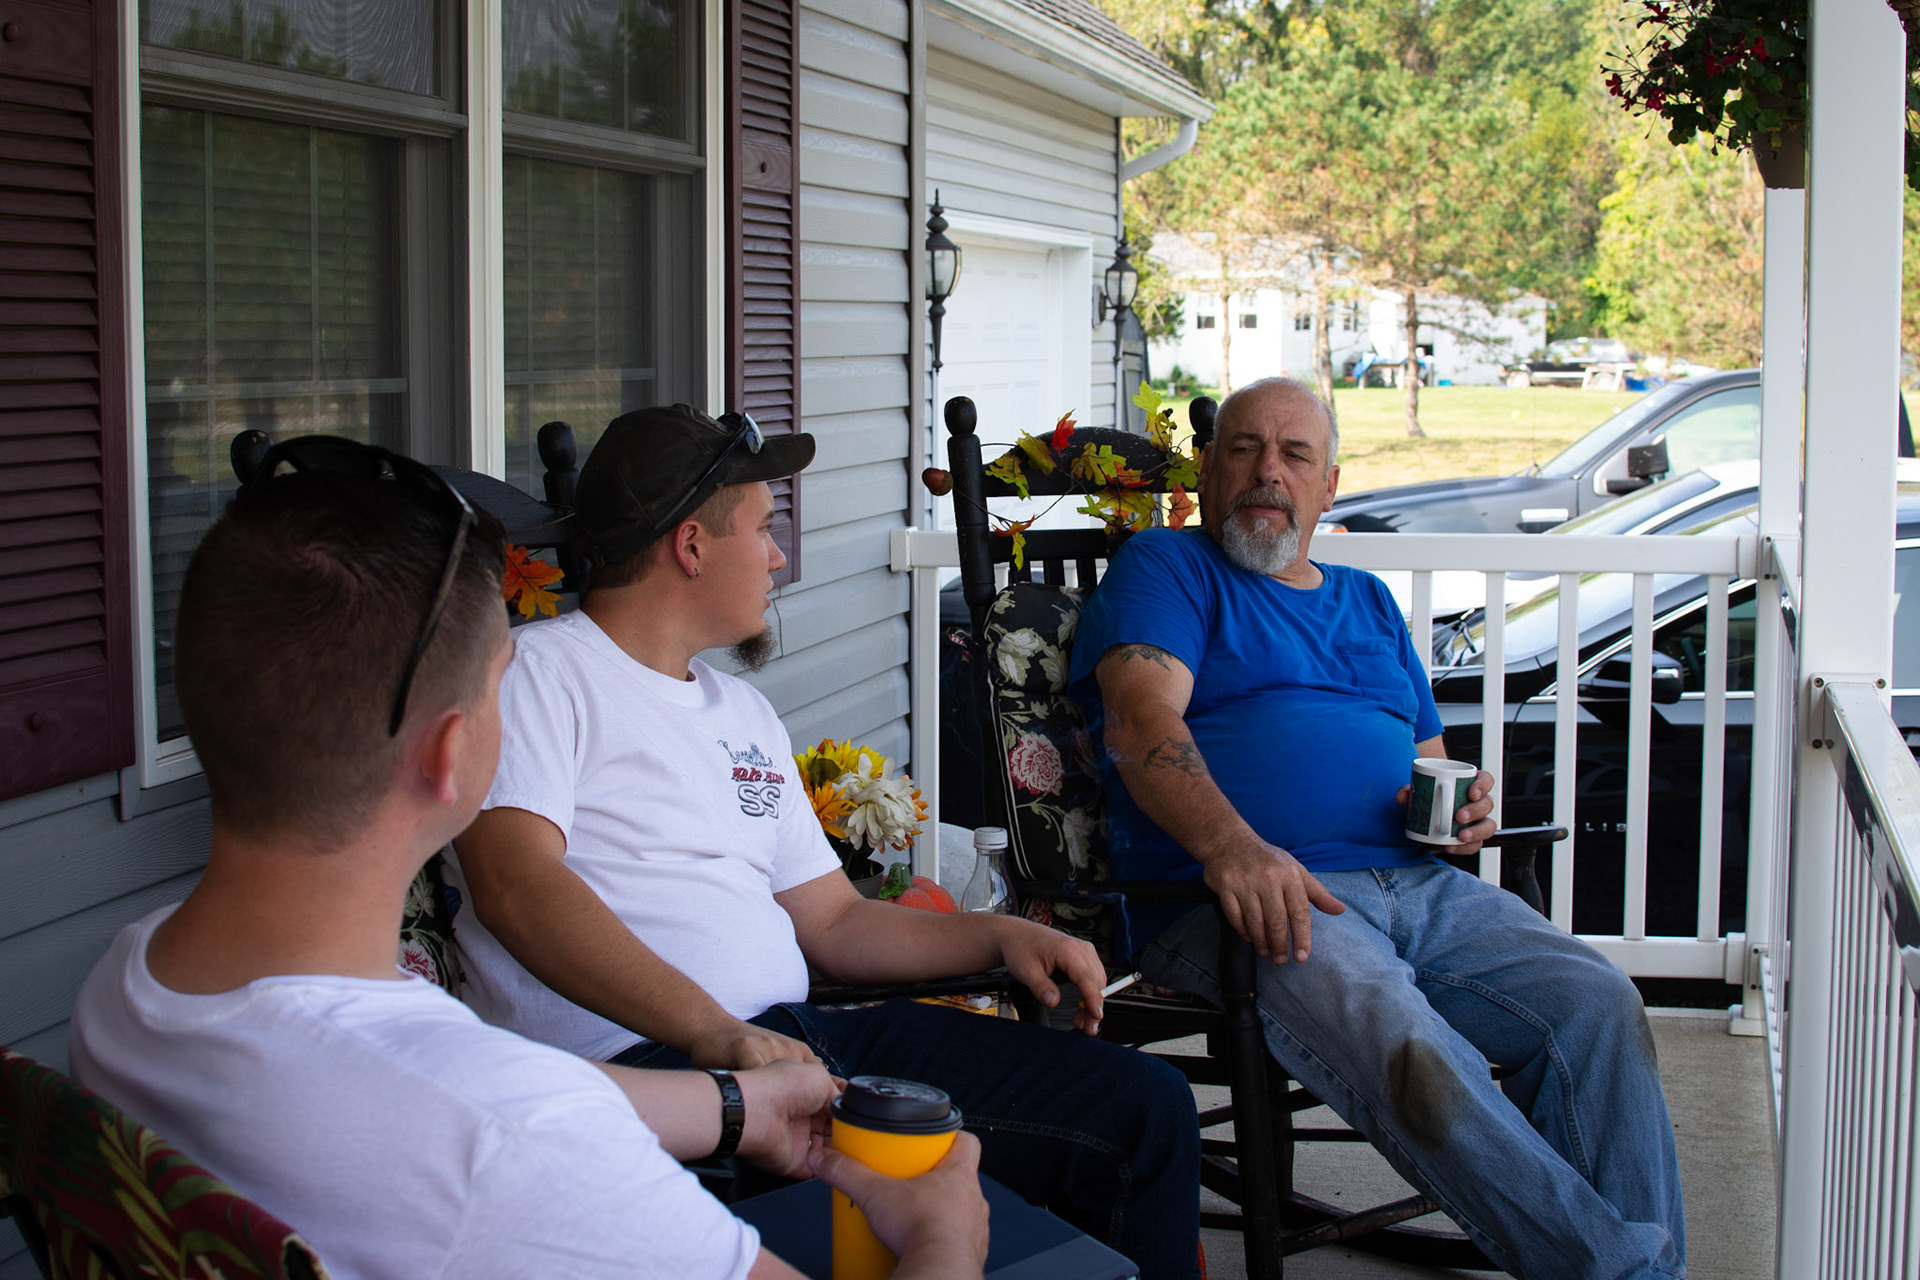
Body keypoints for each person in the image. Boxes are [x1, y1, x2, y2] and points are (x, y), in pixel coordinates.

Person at [67, 440, 989, 1280]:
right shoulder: (508, 1141)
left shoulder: (131, 986)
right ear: (449, 754)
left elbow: (485, 1099)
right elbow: (505, 1120)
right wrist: (944, 1235)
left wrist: (734, 1108)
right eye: (501, 683)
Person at [445, 404, 1202, 1278]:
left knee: (1145, 1105)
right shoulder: (540, 673)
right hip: (649, 1074)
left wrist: (1001, 935)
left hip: (804, 1045)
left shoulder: (741, 712)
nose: (777, 558)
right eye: (763, 529)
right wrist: (716, 1034)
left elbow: (836, 921)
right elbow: (517, 886)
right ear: (691, 546)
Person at [1069, 378, 1687, 1279]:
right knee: (1414, 1049)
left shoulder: (1367, 600)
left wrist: (1464, 813)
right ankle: (1621, 1272)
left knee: (1596, 1001)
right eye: (1243, 449)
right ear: (1206, 470)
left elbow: (1428, 758)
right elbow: (1140, 720)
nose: (1267, 472)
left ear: (1329, 486)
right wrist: (1235, 848)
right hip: (1251, 899)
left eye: (1295, 455)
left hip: (1423, 886)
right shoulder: (1167, 567)